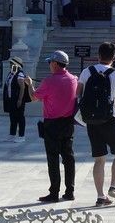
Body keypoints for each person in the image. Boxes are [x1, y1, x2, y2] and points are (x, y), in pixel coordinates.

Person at [77, 41, 115, 206]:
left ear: (98, 55)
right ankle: (114, 186)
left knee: (99, 159)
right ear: (114, 57)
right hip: (111, 119)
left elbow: (78, 94)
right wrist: (113, 107)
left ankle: (100, 196)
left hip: (92, 120)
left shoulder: (87, 71)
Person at [29, 50, 79, 202]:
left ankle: (54, 192)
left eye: (50, 62)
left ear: (56, 63)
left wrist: (29, 85)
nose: (49, 65)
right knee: (68, 158)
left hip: (52, 124)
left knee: (53, 158)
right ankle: (70, 191)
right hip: (68, 123)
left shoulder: (49, 81)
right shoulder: (74, 79)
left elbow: (33, 97)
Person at [1, 57, 31, 141]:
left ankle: (21, 136)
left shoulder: (20, 74)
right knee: (12, 117)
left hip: (17, 99)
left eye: (12, 63)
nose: (10, 65)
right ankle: (12, 134)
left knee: (20, 117)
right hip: (11, 98)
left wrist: (20, 100)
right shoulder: (11, 73)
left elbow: (22, 87)